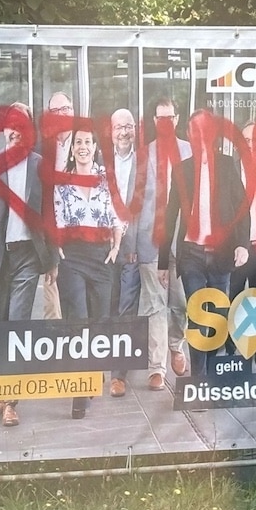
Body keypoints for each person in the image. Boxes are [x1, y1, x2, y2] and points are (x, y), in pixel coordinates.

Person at [0, 102, 57, 428]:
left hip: (28, 257)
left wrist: (52, 260)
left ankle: (10, 402)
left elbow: (49, 216)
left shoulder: (40, 166)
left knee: (18, 328)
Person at [159, 111, 250, 379]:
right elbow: (169, 215)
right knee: (198, 315)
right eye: (195, 131)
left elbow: (242, 208)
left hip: (221, 254)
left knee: (217, 318)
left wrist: (242, 244)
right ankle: (198, 381)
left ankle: (211, 373)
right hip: (192, 255)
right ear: (189, 135)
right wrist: (163, 262)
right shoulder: (182, 170)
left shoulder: (227, 165)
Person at [53, 128, 123, 419]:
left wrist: (115, 247)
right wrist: (58, 250)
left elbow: (117, 216)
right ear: (72, 150)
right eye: (78, 142)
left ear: (95, 147)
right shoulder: (62, 181)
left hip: (101, 258)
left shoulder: (107, 178)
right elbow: (56, 218)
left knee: (99, 323)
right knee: (78, 323)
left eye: (87, 142)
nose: (82, 147)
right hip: (72, 258)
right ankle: (79, 394)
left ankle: (92, 374)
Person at [136, 98, 191, 388]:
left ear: (177, 119)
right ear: (155, 122)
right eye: (160, 118)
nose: (166, 122)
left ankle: (175, 346)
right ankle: (156, 367)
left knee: (180, 303)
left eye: (170, 117)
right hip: (151, 239)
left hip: (183, 241)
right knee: (154, 305)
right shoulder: (143, 155)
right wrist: (132, 243)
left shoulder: (190, 152)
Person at [225, 120, 256, 372]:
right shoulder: (229, 171)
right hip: (236, 248)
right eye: (245, 140)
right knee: (233, 300)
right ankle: (231, 355)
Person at [106, 108, 145, 397]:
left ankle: (118, 375)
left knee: (126, 310)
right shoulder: (99, 161)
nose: (124, 132)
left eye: (128, 126)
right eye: (119, 127)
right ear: (111, 131)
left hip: (131, 249)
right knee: (107, 308)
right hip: (104, 249)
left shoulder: (145, 163)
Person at [41, 90, 74, 320]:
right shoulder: (41, 148)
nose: (60, 115)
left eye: (65, 109)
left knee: (76, 301)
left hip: (80, 235)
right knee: (52, 306)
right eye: (55, 111)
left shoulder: (87, 143)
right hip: (50, 233)